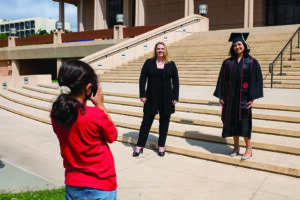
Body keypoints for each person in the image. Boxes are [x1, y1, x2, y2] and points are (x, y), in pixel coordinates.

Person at [50, 59, 118, 200]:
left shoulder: (56, 113)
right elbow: (112, 136)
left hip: (73, 184)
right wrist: (101, 105)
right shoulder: (95, 115)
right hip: (101, 185)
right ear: (87, 88)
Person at [213, 33, 263, 160]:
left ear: (244, 45)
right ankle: (236, 146)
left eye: (239, 44)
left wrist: (252, 98)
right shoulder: (227, 63)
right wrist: (221, 96)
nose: (237, 47)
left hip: (244, 99)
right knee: (232, 122)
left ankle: (249, 149)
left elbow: (255, 81)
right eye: (235, 45)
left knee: (244, 123)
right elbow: (221, 80)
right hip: (230, 99)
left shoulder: (252, 62)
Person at [133, 41, 179, 157]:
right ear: (155, 50)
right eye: (158, 49)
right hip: (151, 98)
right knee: (146, 123)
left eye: (162, 49)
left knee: (164, 123)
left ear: (165, 50)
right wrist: (142, 94)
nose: (160, 51)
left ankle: (161, 146)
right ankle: (139, 146)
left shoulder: (171, 64)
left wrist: (175, 96)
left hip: (167, 98)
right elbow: (142, 79)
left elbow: (176, 81)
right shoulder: (149, 63)